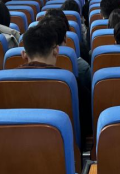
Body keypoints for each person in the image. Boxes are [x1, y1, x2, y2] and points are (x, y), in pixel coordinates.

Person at [25, 15, 92, 146]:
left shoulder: (0, 83)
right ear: (56, 50)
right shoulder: (72, 83)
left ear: (23, 55)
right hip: (63, 147)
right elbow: (87, 124)